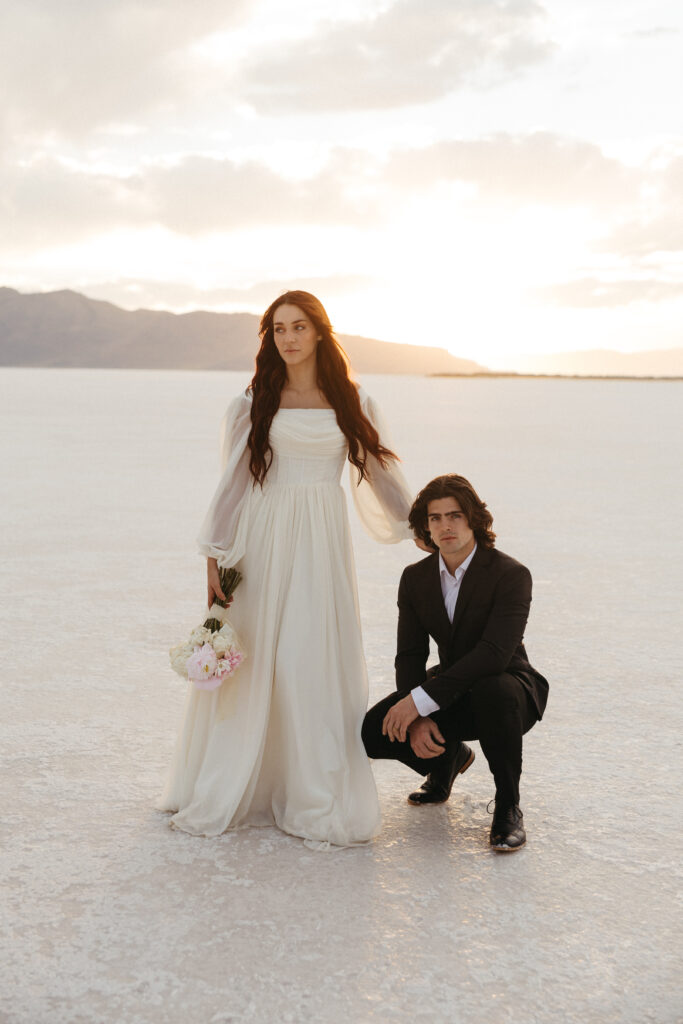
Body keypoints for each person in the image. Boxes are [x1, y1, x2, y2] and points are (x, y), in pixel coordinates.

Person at [160, 290, 416, 848]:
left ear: (320, 333)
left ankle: (309, 787)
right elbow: (231, 484)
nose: (289, 339)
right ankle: (241, 781)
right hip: (261, 538)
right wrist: (216, 556)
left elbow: (380, 473)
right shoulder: (254, 400)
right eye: (279, 330)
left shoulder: (352, 399)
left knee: (308, 656)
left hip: (321, 544)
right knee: (255, 664)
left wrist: (427, 527)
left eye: (299, 327)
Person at [361, 474, 549, 851]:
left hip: (508, 687)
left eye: (455, 516)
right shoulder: (415, 579)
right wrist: (416, 716)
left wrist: (420, 702)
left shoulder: (510, 575)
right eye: (435, 518)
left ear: (474, 519)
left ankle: (508, 807)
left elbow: (493, 654)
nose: (445, 526)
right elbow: (410, 654)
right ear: (425, 527)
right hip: (450, 686)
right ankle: (448, 760)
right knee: (374, 731)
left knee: (493, 689)